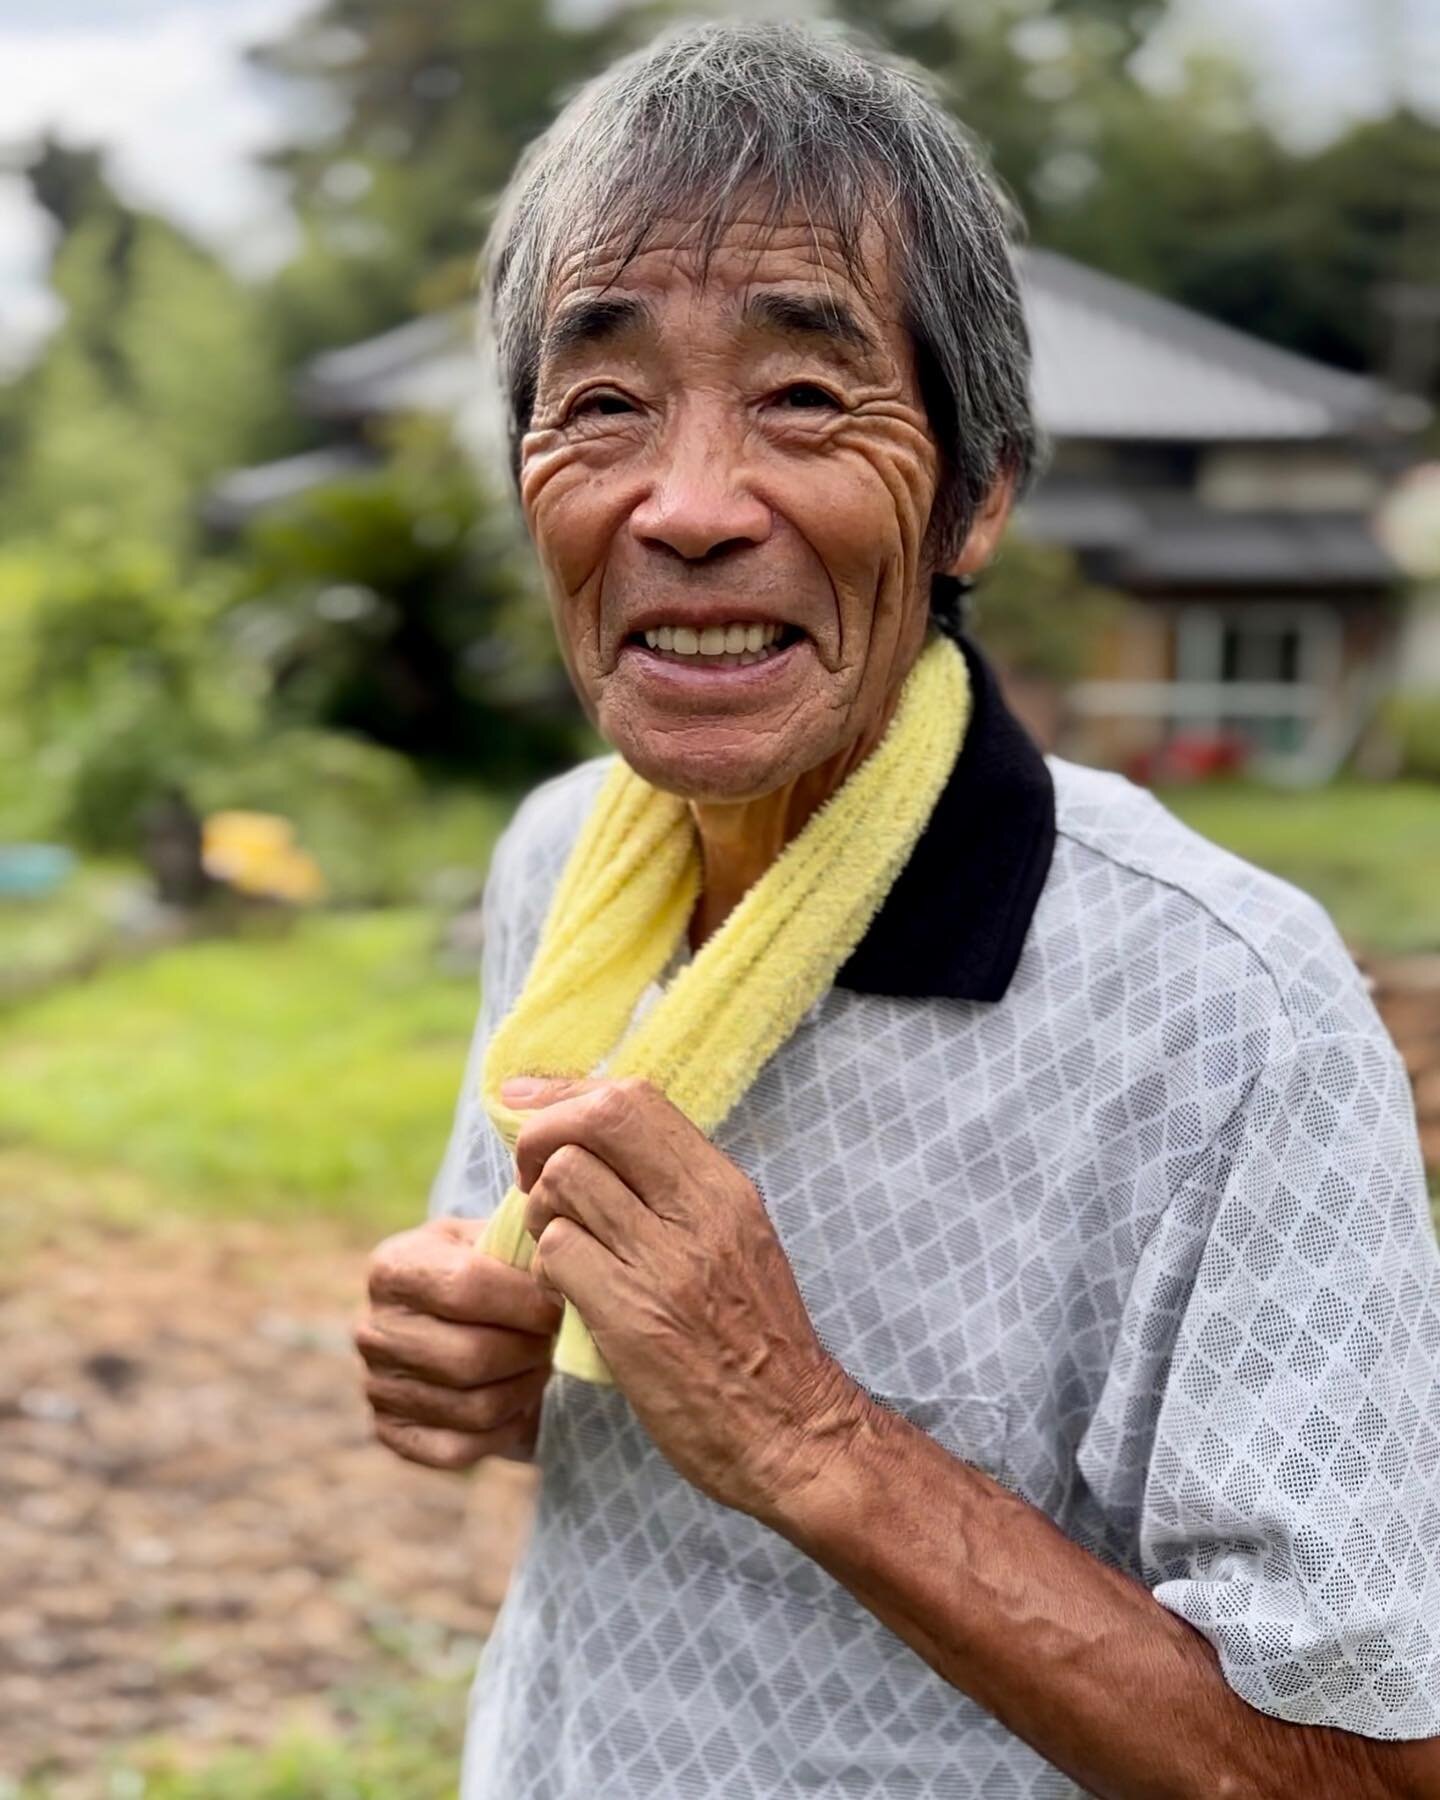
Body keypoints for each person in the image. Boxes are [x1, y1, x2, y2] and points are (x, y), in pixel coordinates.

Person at [353, 20, 1440, 1797]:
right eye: (604, 404)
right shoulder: (566, 853)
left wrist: (802, 1429)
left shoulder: (1223, 1003)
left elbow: (1361, 1769)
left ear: (976, 495)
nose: (688, 507)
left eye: (801, 397)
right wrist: (471, 1354)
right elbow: (548, 1326)